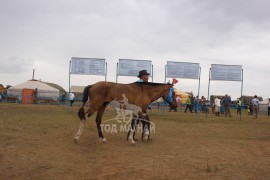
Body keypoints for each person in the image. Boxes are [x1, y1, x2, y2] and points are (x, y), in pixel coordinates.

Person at [129, 70, 151, 141]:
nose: (148, 78)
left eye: (147, 76)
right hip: (139, 107)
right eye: (146, 76)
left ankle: (134, 136)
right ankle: (144, 137)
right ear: (142, 77)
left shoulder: (142, 84)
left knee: (138, 122)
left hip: (140, 107)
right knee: (145, 121)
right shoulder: (140, 84)